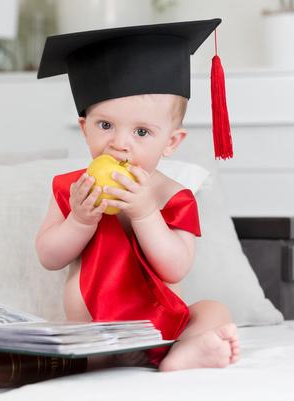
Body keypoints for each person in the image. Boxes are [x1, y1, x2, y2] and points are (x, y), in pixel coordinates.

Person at [34, 19, 239, 371]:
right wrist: (80, 220)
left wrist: (146, 214)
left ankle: (184, 354)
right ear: (85, 129)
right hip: (91, 330)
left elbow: (174, 268)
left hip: (156, 329)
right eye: (105, 125)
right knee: (58, 339)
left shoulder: (174, 195)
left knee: (213, 311)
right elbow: (48, 256)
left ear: (171, 142)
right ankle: (94, 361)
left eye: (142, 131)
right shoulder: (73, 188)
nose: (119, 143)